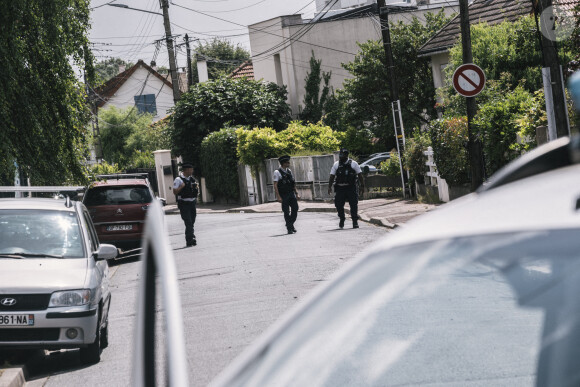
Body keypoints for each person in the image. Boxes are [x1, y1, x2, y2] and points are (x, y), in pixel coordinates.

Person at [327, 149, 365, 229]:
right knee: (338, 204)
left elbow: (360, 175)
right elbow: (332, 176)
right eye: (340, 155)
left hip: (351, 187)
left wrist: (362, 186)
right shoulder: (336, 164)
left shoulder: (353, 164)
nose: (340, 156)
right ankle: (342, 218)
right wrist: (329, 186)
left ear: (347, 155)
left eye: (342, 155)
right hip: (340, 188)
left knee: (353, 205)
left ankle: (355, 221)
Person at [173, 162, 199, 247]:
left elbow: (194, 189)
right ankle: (190, 240)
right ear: (186, 170)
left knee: (192, 221)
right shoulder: (178, 179)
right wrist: (182, 186)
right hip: (184, 204)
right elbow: (175, 192)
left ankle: (191, 236)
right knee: (188, 222)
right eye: (191, 170)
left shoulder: (192, 179)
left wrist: (196, 187)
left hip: (192, 203)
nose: (192, 171)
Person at [273, 155, 300, 234]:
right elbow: (275, 185)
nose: (289, 163)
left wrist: (297, 193)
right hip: (283, 195)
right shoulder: (277, 172)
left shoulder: (289, 171)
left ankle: (290, 224)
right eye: (287, 162)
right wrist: (278, 197)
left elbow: (293, 183)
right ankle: (290, 228)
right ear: (283, 163)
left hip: (291, 194)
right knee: (286, 211)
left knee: (295, 209)